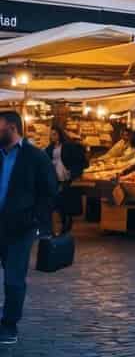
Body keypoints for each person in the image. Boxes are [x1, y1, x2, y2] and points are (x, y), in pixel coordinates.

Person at [0, 111, 56, 345]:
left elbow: (49, 191)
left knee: (14, 279)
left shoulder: (35, 156)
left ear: (12, 127)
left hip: (19, 229)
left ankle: (9, 324)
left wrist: (34, 220)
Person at [44, 125, 87, 236]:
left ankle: (67, 222)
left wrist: (73, 171)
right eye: (51, 134)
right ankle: (64, 221)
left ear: (60, 134)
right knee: (58, 202)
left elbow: (80, 159)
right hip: (55, 177)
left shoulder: (68, 146)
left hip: (66, 176)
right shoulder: (50, 148)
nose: (52, 136)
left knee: (66, 201)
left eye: (54, 134)